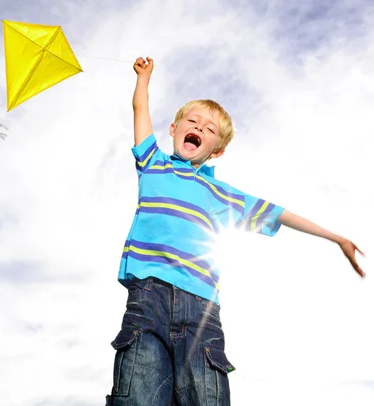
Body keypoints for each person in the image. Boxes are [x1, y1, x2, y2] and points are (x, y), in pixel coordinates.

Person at [105, 57, 365, 406]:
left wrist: (337, 238)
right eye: (192, 121)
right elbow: (139, 109)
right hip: (146, 302)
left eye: (210, 129)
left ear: (219, 149)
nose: (199, 127)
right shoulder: (152, 163)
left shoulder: (222, 195)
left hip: (200, 311)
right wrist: (143, 79)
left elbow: (281, 213)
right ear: (173, 128)